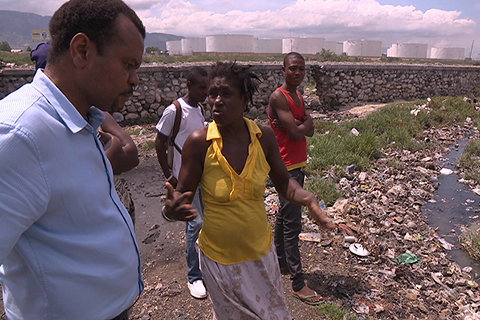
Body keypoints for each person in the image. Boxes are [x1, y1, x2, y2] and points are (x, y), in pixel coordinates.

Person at [0, 0, 145, 319]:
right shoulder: (19, 134)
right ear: (81, 50)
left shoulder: (83, 121)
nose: (134, 80)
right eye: (128, 65)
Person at [163, 61, 335, 319]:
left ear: (245, 99)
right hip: (219, 261)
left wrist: (308, 198)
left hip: (260, 256)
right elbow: (181, 198)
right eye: (212, 94)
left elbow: (285, 183)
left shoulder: (263, 138)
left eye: (226, 94)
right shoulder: (200, 143)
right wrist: (171, 211)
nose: (216, 101)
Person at [268, 52, 327, 305]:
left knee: (284, 215)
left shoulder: (298, 97)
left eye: (301, 69)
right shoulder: (278, 97)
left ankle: (280, 261)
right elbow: (295, 133)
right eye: (293, 68)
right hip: (285, 167)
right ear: (283, 69)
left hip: (297, 164)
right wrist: (305, 123)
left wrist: (302, 125)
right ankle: (298, 283)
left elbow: (308, 133)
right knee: (293, 224)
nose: (298, 73)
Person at [154, 66, 208, 299]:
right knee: (195, 224)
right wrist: (169, 174)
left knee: (204, 223)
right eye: (201, 87)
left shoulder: (200, 109)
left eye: (207, 88)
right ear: (189, 85)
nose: (206, 92)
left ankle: (206, 267)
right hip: (183, 178)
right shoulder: (174, 110)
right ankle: (194, 276)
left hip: (203, 176)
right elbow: (159, 142)